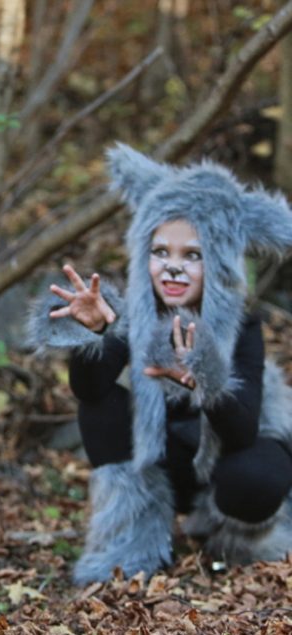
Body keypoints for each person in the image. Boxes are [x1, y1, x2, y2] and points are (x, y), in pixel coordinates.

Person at [29, 144, 292, 585]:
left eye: (193, 255)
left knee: (258, 474)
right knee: (104, 406)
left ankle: (235, 542)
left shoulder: (243, 327)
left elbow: (243, 430)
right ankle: (133, 539)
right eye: (160, 252)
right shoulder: (134, 314)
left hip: (226, 464)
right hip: (166, 457)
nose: (172, 268)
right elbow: (90, 393)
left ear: (221, 263)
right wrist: (97, 333)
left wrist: (206, 379)